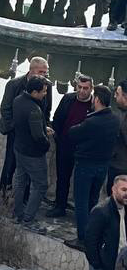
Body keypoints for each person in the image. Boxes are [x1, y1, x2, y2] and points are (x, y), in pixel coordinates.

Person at [68, 84, 120, 249]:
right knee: (93, 200)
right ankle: (93, 233)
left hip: (86, 165)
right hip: (102, 166)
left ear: (96, 99)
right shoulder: (115, 119)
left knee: (81, 202)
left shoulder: (92, 121)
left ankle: (83, 239)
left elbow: (72, 133)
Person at [0, 55, 51, 195]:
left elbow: (46, 110)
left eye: (46, 72)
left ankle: (24, 197)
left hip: (34, 133)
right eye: (41, 72)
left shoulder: (47, 86)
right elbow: (5, 109)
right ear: (31, 70)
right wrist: (15, 127)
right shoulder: (14, 84)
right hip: (16, 132)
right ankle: (4, 190)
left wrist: (43, 127)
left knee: (29, 168)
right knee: (10, 162)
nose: (45, 75)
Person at [48, 73, 94, 218]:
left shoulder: (94, 105)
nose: (81, 91)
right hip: (65, 147)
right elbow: (57, 118)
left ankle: (82, 213)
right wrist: (59, 138)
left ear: (91, 89)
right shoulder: (68, 98)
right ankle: (59, 206)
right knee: (62, 178)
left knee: (82, 183)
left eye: (85, 88)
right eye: (79, 87)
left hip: (83, 151)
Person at [85, 174, 127, 270]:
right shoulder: (102, 211)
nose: (126, 193)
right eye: (123, 189)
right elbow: (90, 241)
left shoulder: (124, 210)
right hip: (103, 269)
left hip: (118, 269)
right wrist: (98, 265)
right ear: (113, 190)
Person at [11, 75, 53, 229]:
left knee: (20, 181)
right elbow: (38, 137)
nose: (44, 94)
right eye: (43, 92)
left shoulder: (18, 101)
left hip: (19, 148)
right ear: (34, 92)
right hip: (33, 154)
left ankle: (17, 214)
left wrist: (42, 127)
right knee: (41, 185)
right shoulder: (34, 109)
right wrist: (46, 144)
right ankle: (28, 220)